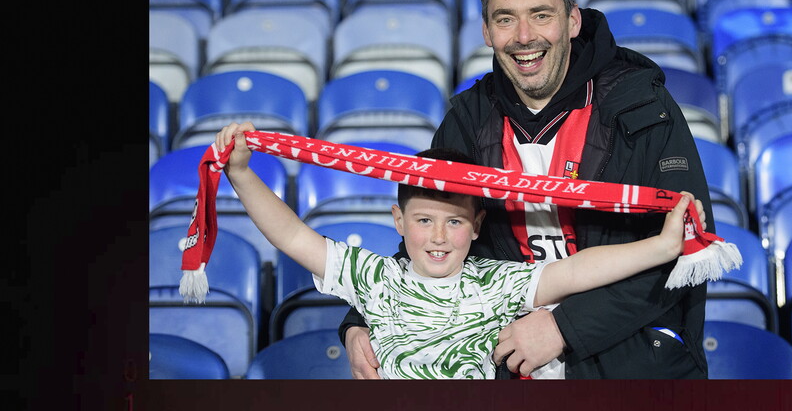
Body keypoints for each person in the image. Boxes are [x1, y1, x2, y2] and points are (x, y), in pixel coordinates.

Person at [341, 0, 717, 379]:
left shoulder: (642, 105)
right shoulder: (468, 119)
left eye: (541, 15)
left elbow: (688, 246)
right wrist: (360, 323)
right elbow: (431, 228)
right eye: (506, 19)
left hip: (632, 358)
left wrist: (563, 327)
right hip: (504, 358)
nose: (524, 37)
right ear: (486, 31)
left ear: (572, 20)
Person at [215, 122, 703, 379]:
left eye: (455, 222)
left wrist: (661, 246)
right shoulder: (374, 276)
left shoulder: (496, 281)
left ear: (477, 227)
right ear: (398, 223)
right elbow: (292, 236)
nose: (439, 236)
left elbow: (577, 272)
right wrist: (240, 173)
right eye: (424, 221)